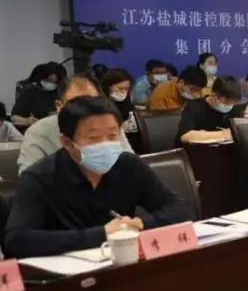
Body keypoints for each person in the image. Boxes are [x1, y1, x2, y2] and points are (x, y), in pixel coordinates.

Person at [4, 97, 192, 258]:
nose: (105, 145)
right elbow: (17, 240)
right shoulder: (39, 178)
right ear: (67, 142)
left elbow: (180, 209)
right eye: (93, 138)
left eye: (112, 136)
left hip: (124, 266)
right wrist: (101, 234)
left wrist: (140, 224)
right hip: (67, 277)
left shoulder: (129, 165)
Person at [18, 75, 134, 175]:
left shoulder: (109, 125)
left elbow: (131, 168)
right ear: (59, 106)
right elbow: (29, 180)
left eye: (94, 102)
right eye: (77, 104)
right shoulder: (38, 132)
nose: (88, 110)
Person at [176, 75, 242, 145]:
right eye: (227, 103)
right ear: (214, 96)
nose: (230, 106)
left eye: (233, 103)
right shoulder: (194, 106)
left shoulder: (235, 109)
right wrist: (223, 134)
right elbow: (185, 136)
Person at [100, 68, 137, 132]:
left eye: (126, 89)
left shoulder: (126, 99)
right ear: (109, 87)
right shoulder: (100, 102)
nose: (124, 92)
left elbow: (130, 114)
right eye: (120, 88)